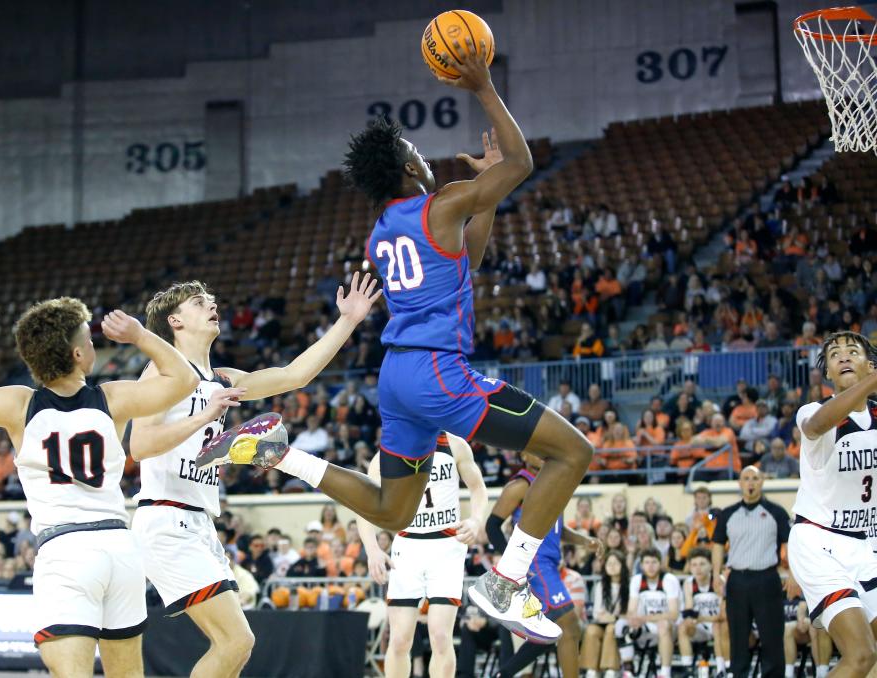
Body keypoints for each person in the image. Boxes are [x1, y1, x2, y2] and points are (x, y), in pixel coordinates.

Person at [197, 38, 592, 642]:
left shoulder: (382, 231)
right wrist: (483, 86)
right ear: (409, 167)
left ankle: (281, 452)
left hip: (399, 379)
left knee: (391, 511)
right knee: (572, 453)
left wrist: (482, 194)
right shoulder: (439, 203)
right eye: (416, 150)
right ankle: (507, 580)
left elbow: (472, 255)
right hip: (439, 375)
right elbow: (522, 165)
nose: (425, 156)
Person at [0, 295, 199, 677]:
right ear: (76, 354)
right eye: (88, 341)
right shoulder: (112, 398)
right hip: (120, 549)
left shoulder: (20, 406)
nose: (93, 346)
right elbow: (185, 380)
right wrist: (140, 336)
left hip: (67, 550)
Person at [130, 273, 380, 676]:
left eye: (211, 298)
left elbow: (295, 375)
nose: (212, 304)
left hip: (197, 521)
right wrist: (207, 419)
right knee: (236, 641)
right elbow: (139, 446)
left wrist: (348, 321)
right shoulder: (161, 374)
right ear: (174, 322)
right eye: (199, 302)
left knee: (237, 650)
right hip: (165, 517)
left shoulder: (223, 378)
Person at [358, 433, 488, 678]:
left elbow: (478, 488)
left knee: (440, 636)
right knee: (399, 639)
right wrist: (372, 549)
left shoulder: (455, 445)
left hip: (447, 545)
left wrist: (476, 520)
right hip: (408, 546)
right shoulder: (388, 452)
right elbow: (363, 504)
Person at [788, 331, 877, 676]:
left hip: (864, 544)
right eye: (834, 354)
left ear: (869, 364)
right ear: (828, 374)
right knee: (860, 655)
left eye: (852, 351)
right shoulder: (813, 411)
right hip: (818, 542)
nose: (842, 356)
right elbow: (817, 426)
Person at [485, 453, 603, 678]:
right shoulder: (520, 485)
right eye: (538, 450)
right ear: (525, 455)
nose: (545, 453)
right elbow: (492, 526)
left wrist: (583, 540)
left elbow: (556, 528)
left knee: (550, 632)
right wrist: (514, 562)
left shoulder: (553, 483)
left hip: (548, 563)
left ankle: (504, 674)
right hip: (535, 563)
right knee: (569, 624)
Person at [712, 466, 793, 678]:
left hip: (767, 578)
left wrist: (793, 574)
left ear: (762, 482)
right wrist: (715, 575)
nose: (750, 482)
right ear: (739, 483)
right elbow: (718, 545)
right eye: (746, 478)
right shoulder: (728, 514)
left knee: (772, 635)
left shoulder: (777, 512)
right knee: (738, 636)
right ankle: (738, 674)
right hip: (737, 580)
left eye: (755, 478)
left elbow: (789, 544)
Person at [621, 549, 681, 678]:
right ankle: (629, 669)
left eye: (654, 562)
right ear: (641, 565)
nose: (650, 566)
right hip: (646, 625)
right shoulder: (637, 580)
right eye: (647, 562)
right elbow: (631, 609)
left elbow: (673, 614)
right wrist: (633, 619)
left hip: (671, 627)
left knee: (663, 625)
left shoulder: (669, 580)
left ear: (660, 564)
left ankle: (665, 672)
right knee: (622, 625)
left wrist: (645, 618)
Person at [678, 548, 729, 677]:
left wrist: (700, 618)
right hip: (702, 626)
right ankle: (688, 668)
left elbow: (723, 615)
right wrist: (694, 619)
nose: (698, 568)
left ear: (711, 566)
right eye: (694, 565)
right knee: (683, 626)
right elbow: (689, 612)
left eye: (702, 564)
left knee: (718, 626)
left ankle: (721, 669)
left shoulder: (720, 581)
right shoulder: (689, 583)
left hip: (720, 626)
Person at [581, 549, 629, 678]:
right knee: (591, 630)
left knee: (611, 629)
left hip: (623, 625)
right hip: (603, 622)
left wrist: (614, 617)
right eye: (609, 564)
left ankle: (611, 669)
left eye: (615, 563)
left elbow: (629, 612)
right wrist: (611, 617)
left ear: (623, 565)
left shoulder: (629, 585)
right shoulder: (601, 586)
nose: (612, 567)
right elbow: (597, 613)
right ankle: (592, 669)